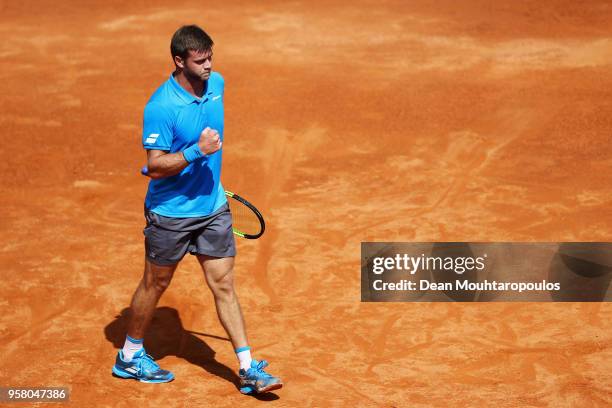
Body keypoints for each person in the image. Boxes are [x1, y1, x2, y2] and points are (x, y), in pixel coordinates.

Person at [111, 24, 282, 395]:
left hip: (213, 207)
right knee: (155, 283)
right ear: (178, 60)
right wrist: (195, 152)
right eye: (200, 60)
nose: (208, 66)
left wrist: (208, 177)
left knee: (223, 284)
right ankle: (129, 354)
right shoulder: (160, 107)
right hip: (170, 214)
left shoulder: (217, 84)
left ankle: (248, 367)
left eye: (210, 58)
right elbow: (154, 167)